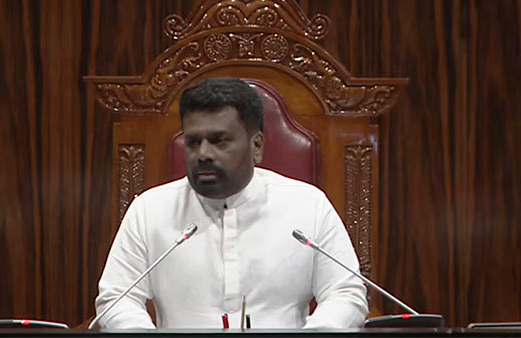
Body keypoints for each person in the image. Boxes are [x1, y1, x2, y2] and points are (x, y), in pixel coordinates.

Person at [94, 77, 368, 329]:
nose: (202, 154)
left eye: (219, 141)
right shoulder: (150, 210)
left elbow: (345, 292)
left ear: (257, 146)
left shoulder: (308, 206)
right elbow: (117, 297)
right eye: (193, 142)